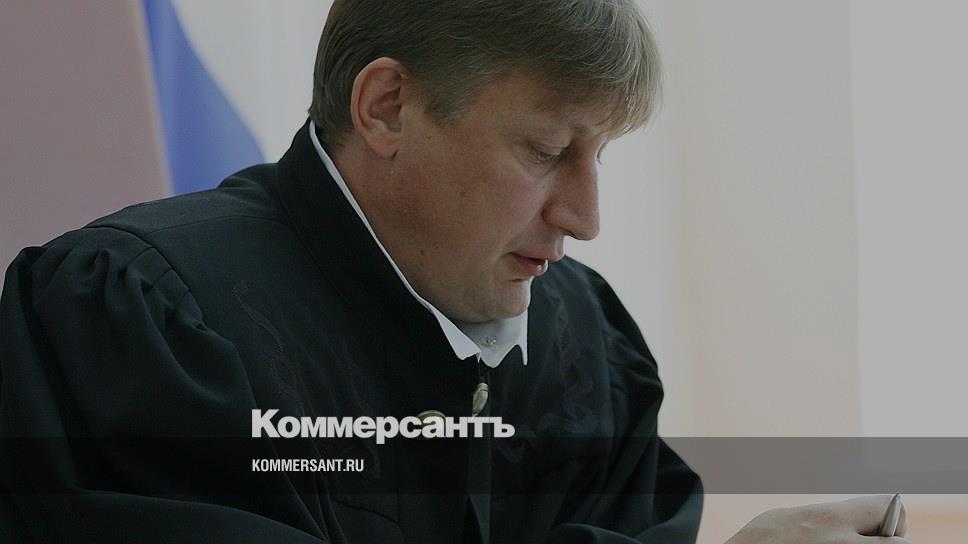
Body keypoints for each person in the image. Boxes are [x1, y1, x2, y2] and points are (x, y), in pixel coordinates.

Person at [0, 1, 910, 543]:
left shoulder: (584, 341)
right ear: (388, 107)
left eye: (600, 156)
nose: (586, 219)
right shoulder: (138, 318)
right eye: (546, 150)